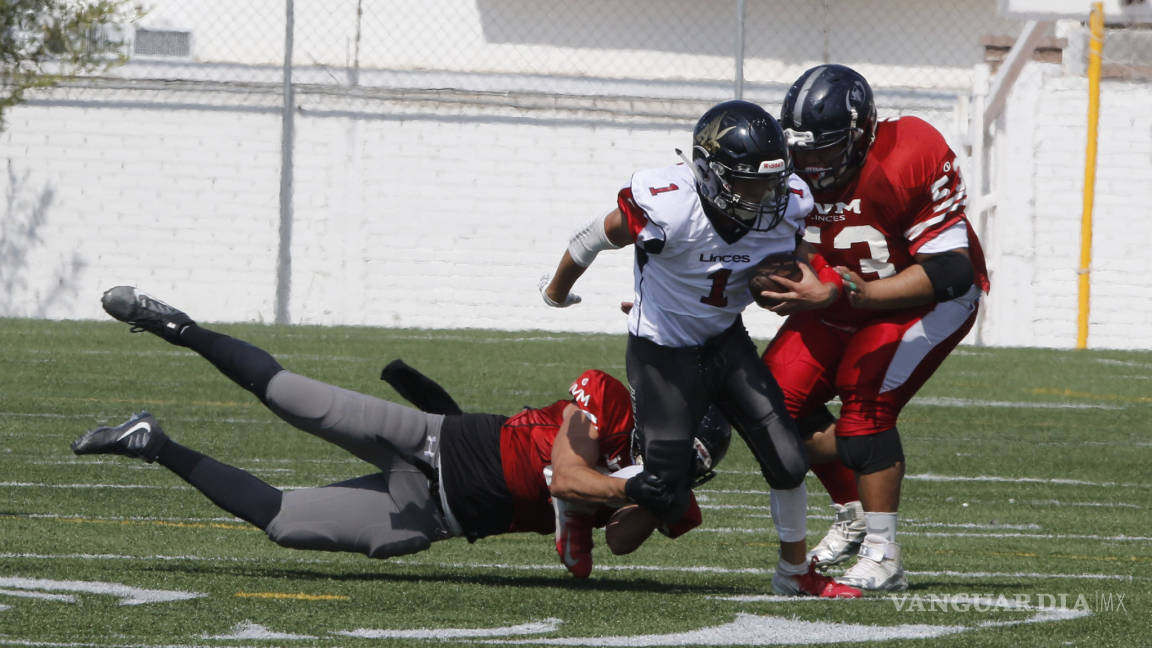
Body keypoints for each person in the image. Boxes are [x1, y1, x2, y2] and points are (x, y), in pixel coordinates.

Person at [74, 286, 722, 578]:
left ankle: (150, 442)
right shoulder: (605, 396)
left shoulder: (664, 478)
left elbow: (618, 545)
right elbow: (567, 477)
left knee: (286, 524)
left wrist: (659, 494)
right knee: (290, 396)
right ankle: (175, 325)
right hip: (434, 440)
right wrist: (636, 486)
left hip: (441, 514)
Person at [539, 100, 860, 598]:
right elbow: (594, 237)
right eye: (749, 182)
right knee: (663, 487)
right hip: (662, 353)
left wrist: (816, 285)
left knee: (788, 459)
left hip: (725, 341)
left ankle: (793, 574)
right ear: (710, 174)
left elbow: (804, 255)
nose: (764, 195)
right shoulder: (669, 205)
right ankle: (580, 500)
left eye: (770, 182)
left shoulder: (787, 201)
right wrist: (555, 290)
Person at [757, 64, 991, 591]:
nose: (812, 163)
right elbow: (794, 247)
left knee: (865, 404)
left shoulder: (910, 151)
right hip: (841, 295)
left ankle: (885, 557)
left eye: (825, 147)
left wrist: (848, 292)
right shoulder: (786, 169)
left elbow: (952, 271)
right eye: (803, 149)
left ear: (862, 130)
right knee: (770, 407)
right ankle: (854, 507)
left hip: (918, 298)